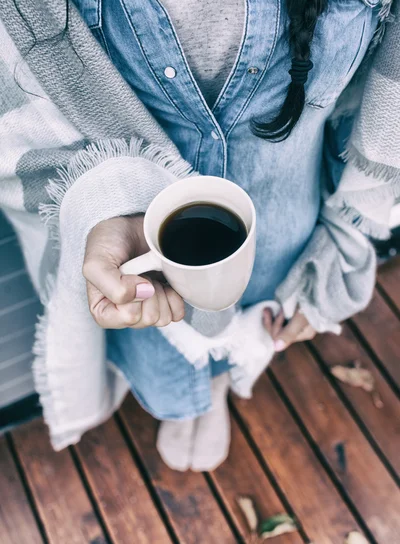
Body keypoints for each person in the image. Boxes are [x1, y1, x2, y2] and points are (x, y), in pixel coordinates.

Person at [0, 0, 386, 468]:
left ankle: (218, 384)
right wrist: (104, 201)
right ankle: (186, 402)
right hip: (148, 258)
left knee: (249, 334)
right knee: (165, 359)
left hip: (282, 237)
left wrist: (345, 236)